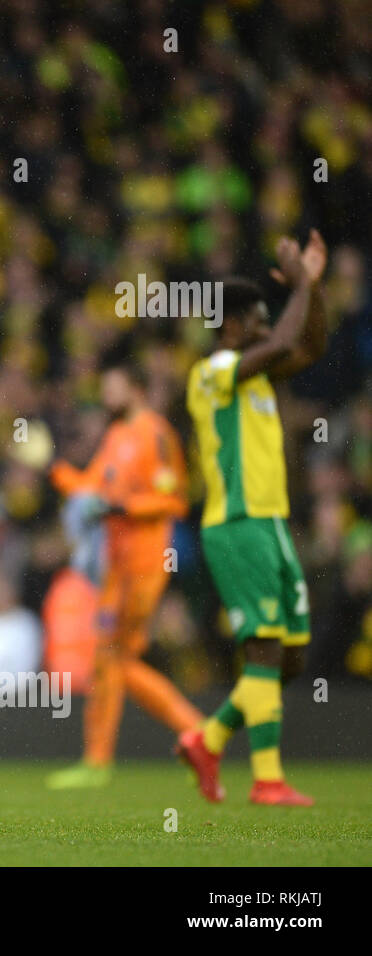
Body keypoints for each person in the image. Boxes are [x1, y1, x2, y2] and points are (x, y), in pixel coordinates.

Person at [178, 230, 328, 807]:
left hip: (271, 523)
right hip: (237, 524)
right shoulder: (212, 371)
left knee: (289, 659)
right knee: (264, 649)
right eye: (261, 321)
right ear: (234, 325)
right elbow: (287, 340)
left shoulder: (259, 374)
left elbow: (307, 344)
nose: (270, 329)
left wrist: (309, 290)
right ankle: (267, 780)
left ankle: (207, 738)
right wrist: (305, 284)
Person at [45, 358, 200, 789]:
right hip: (116, 564)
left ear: (137, 389)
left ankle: (106, 759)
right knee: (112, 658)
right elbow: (91, 487)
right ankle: (195, 736)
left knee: (113, 657)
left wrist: (123, 507)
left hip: (148, 564)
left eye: (114, 387)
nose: (108, 395)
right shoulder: (114, 435)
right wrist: (53, 469)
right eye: (105, 388)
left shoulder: (157, 433)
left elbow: (175, 500)